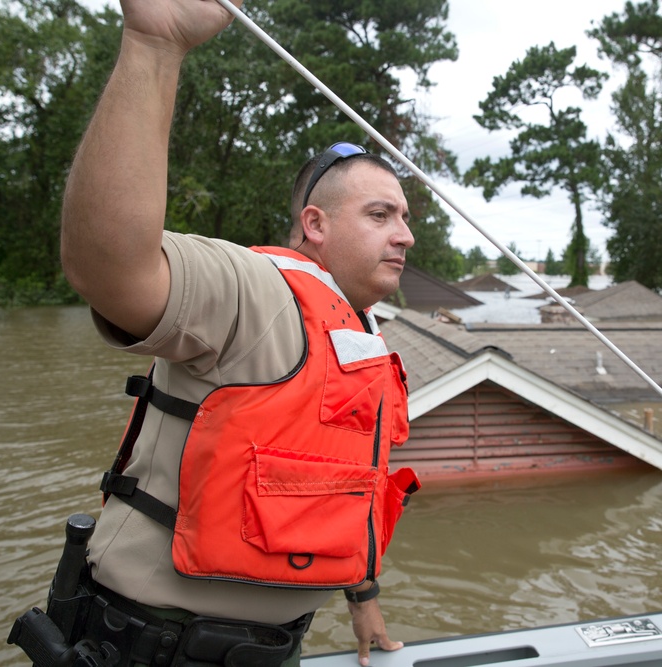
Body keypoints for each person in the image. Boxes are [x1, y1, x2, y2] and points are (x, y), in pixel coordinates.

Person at [39, 0, 419, 663]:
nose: (405, 235)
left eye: (406, 217)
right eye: (381, 214)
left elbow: (339, 484)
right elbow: (108, 267)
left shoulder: (363, 335)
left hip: (274, 649)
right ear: (316, 224)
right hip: (150, 646)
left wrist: (365, 603)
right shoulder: (253, 289)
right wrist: (154, 48)